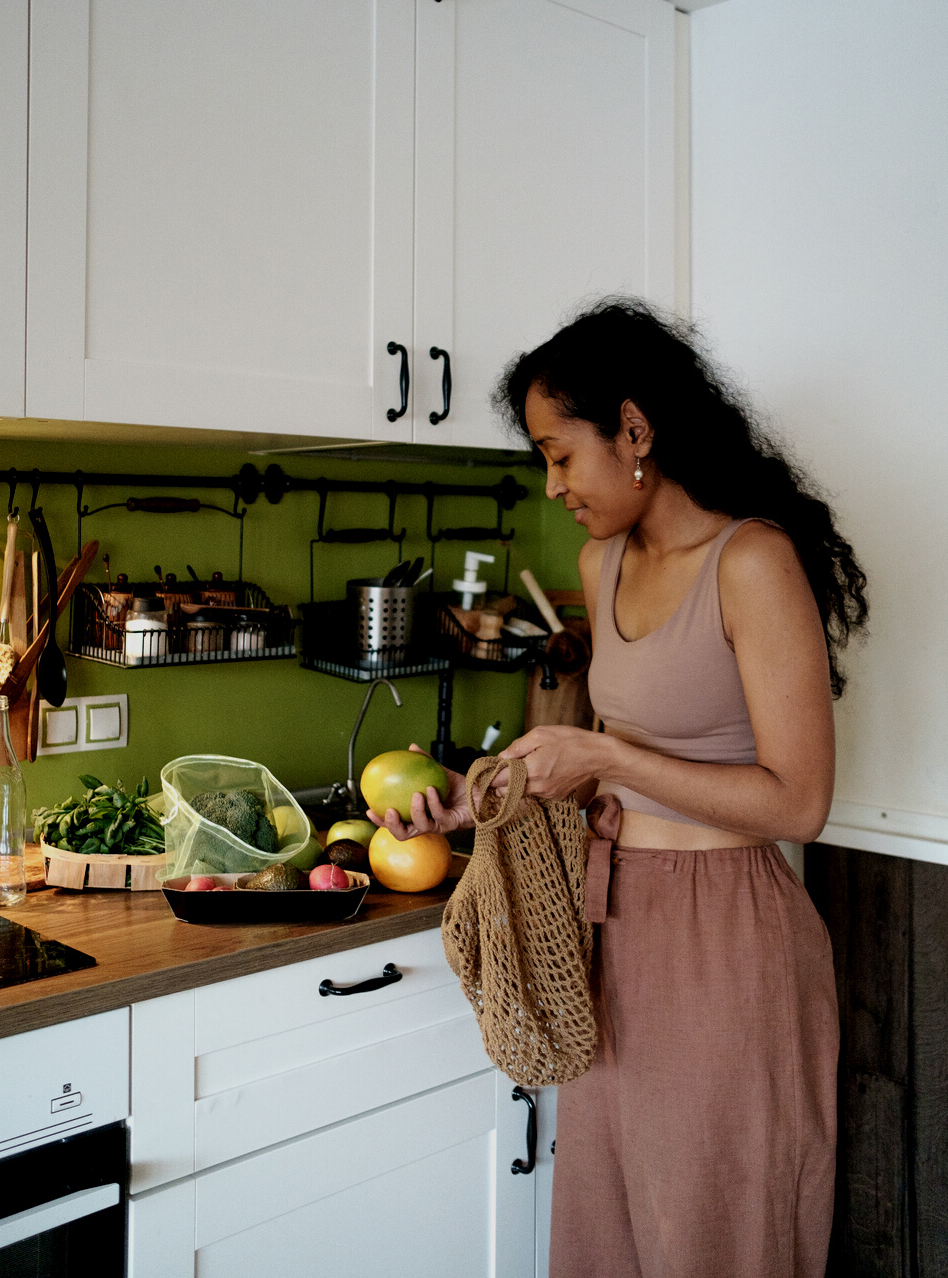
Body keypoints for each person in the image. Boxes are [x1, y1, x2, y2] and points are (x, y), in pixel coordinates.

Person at [367, 299, 868, 1278]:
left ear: (634, 431)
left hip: (728, 943)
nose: (551, 486)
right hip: (610, 932)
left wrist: (610, 764)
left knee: (716, 1234)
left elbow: (797, 803)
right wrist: (484, 801)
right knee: (609, 1235)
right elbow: (601, 743)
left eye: (559, 454)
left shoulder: (752, 563)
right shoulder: (600, 565)